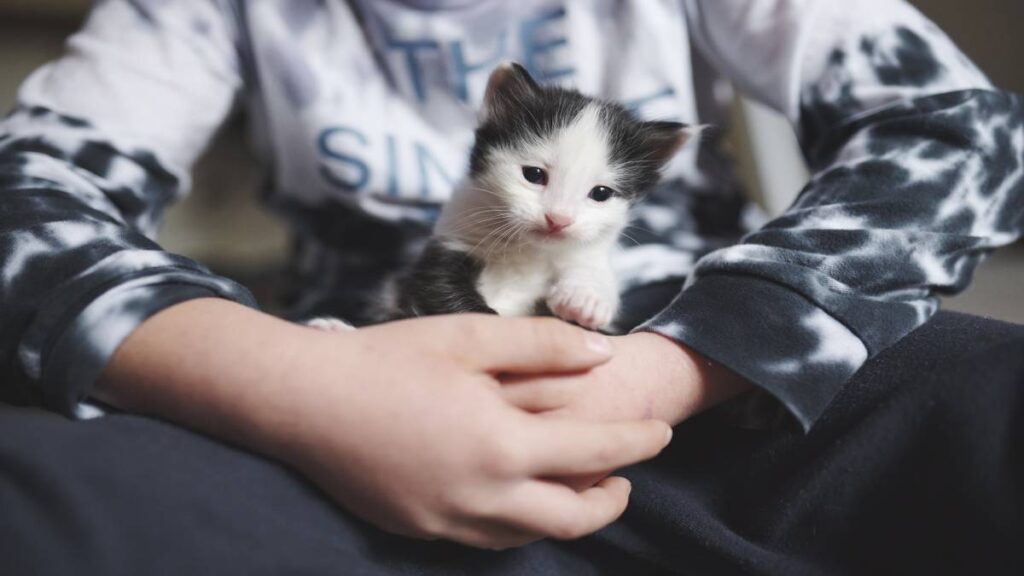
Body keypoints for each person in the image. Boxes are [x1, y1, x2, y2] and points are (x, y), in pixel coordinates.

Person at [0, 0, 1020, 574]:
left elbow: (963, 131)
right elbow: (21, 198)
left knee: (989, 395)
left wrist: (665, 373)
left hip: (703, 387)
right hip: (341, 408)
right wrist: (286, 385)